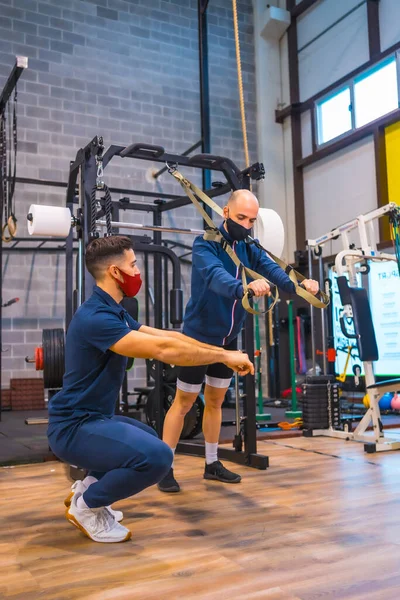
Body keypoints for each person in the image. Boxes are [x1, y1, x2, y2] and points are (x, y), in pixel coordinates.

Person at [47, 235, 253, 544]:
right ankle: (89, 507)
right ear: (115, 273)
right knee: (158, 458)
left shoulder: (112, 309)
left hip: (94, 419)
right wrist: (224, 356)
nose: (137, 271)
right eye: (132, 265)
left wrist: (221, 351)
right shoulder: (96, 318)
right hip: (73, 429)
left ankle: (86, 488)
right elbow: (162, 350)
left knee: (148, 440)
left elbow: (168, 336)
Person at [158, 190, 319, 493]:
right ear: (226, 213)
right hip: (199, 339)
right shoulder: (205, 244)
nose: (245, 225)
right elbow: (216, 277)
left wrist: (300, 285)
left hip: (228, 340)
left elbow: (273, 270)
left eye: (251, 221)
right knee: (184, 403)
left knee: (216, 402)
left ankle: (211, 463)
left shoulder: (248, 246)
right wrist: (243, 289)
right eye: (241, 217)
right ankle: (164, 467)